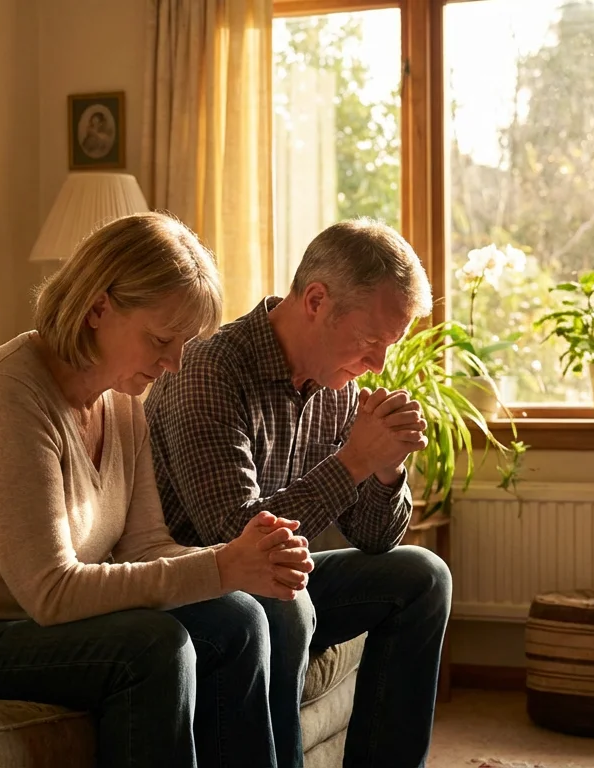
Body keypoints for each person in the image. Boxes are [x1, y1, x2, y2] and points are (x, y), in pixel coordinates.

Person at [0, 212, 314, 768]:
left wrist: (245, 563)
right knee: (153, 649)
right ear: (98, 308)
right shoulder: (6, 398)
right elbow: (52, 592)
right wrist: (221, 568)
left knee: (242, 617)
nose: (174, 364)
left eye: (185, 344)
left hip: (24, 628)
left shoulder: (121, 403)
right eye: (161, 339)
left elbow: (146, 547)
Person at [145, 218, 452, 768]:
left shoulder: (337, 387)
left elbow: (376, 537)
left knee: (422, 576)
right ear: (316, 300)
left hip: (279, 577)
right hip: (197, 581)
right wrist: (354, 459)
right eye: (370, 340)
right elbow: (235, 536)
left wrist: (384, 467)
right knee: (284, 601)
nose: (379, 363)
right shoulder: (210, 366)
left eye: (390, 345)